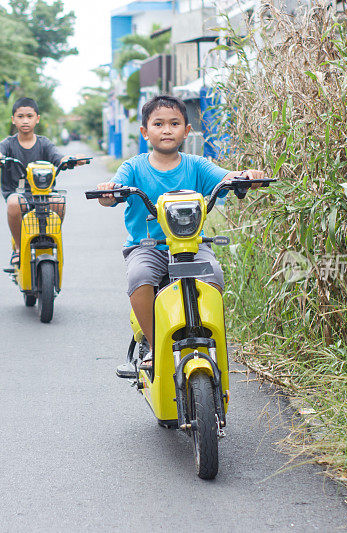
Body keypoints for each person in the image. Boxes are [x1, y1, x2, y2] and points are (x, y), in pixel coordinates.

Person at [95, 94, 264, 368]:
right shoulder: (133, 167)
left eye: (174, 123)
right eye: (158, 124)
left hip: (192, 246)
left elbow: (225, 176)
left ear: (186, 131)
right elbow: (112, 191)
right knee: (139, 276)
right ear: (145, 132)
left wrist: (245, 176)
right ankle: (153, 343)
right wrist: (108, 192)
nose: (166, 130)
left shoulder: (196, 165)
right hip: (146, 246)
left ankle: (207, 337)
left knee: (214, 275)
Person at [0, 97, 88, 265]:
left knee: (58, 202)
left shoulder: (44, 144)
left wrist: (73, 159)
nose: (25, 120)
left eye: (29, 116)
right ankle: (18, 248)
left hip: (43, 194)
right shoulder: (8, 144)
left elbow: (59, 158)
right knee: (13, 203)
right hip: (18, 195)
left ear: (37, 118)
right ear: (13, 119)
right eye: (20, 116)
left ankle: (49, 238)